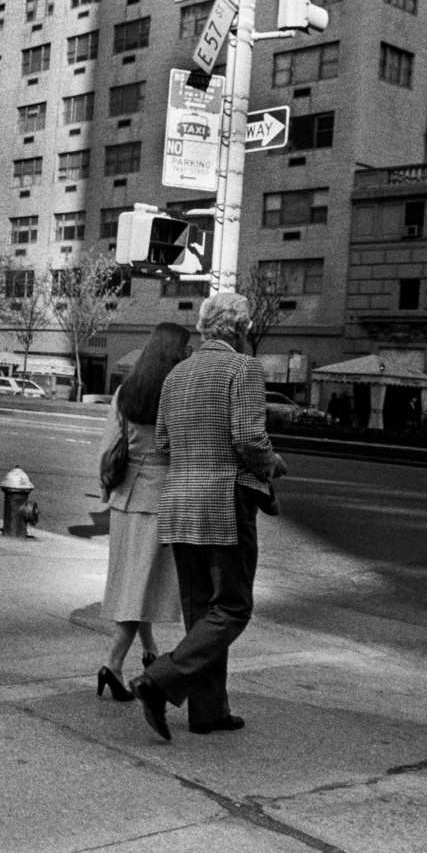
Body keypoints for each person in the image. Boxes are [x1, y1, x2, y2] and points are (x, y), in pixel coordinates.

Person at [129, 293, 287, 741]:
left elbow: (162, 442)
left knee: (201, 611)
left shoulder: (176, 374)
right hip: (225, 500)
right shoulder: (243, 369)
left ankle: (208, 710)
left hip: (179, 501)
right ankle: (159, 680)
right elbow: (249, 438)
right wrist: (273, 463)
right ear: (240, 329)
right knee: (233, 607)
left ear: (203, 328)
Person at [95, 323, 187, 701]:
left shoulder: (125, 392)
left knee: (135, 580)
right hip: (159, 499)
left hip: (125, 499)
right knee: (140, 587)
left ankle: (149, 650)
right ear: (175, 353)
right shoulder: (177, 392)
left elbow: (109, 447)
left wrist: (106, 491)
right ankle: (113, 665)